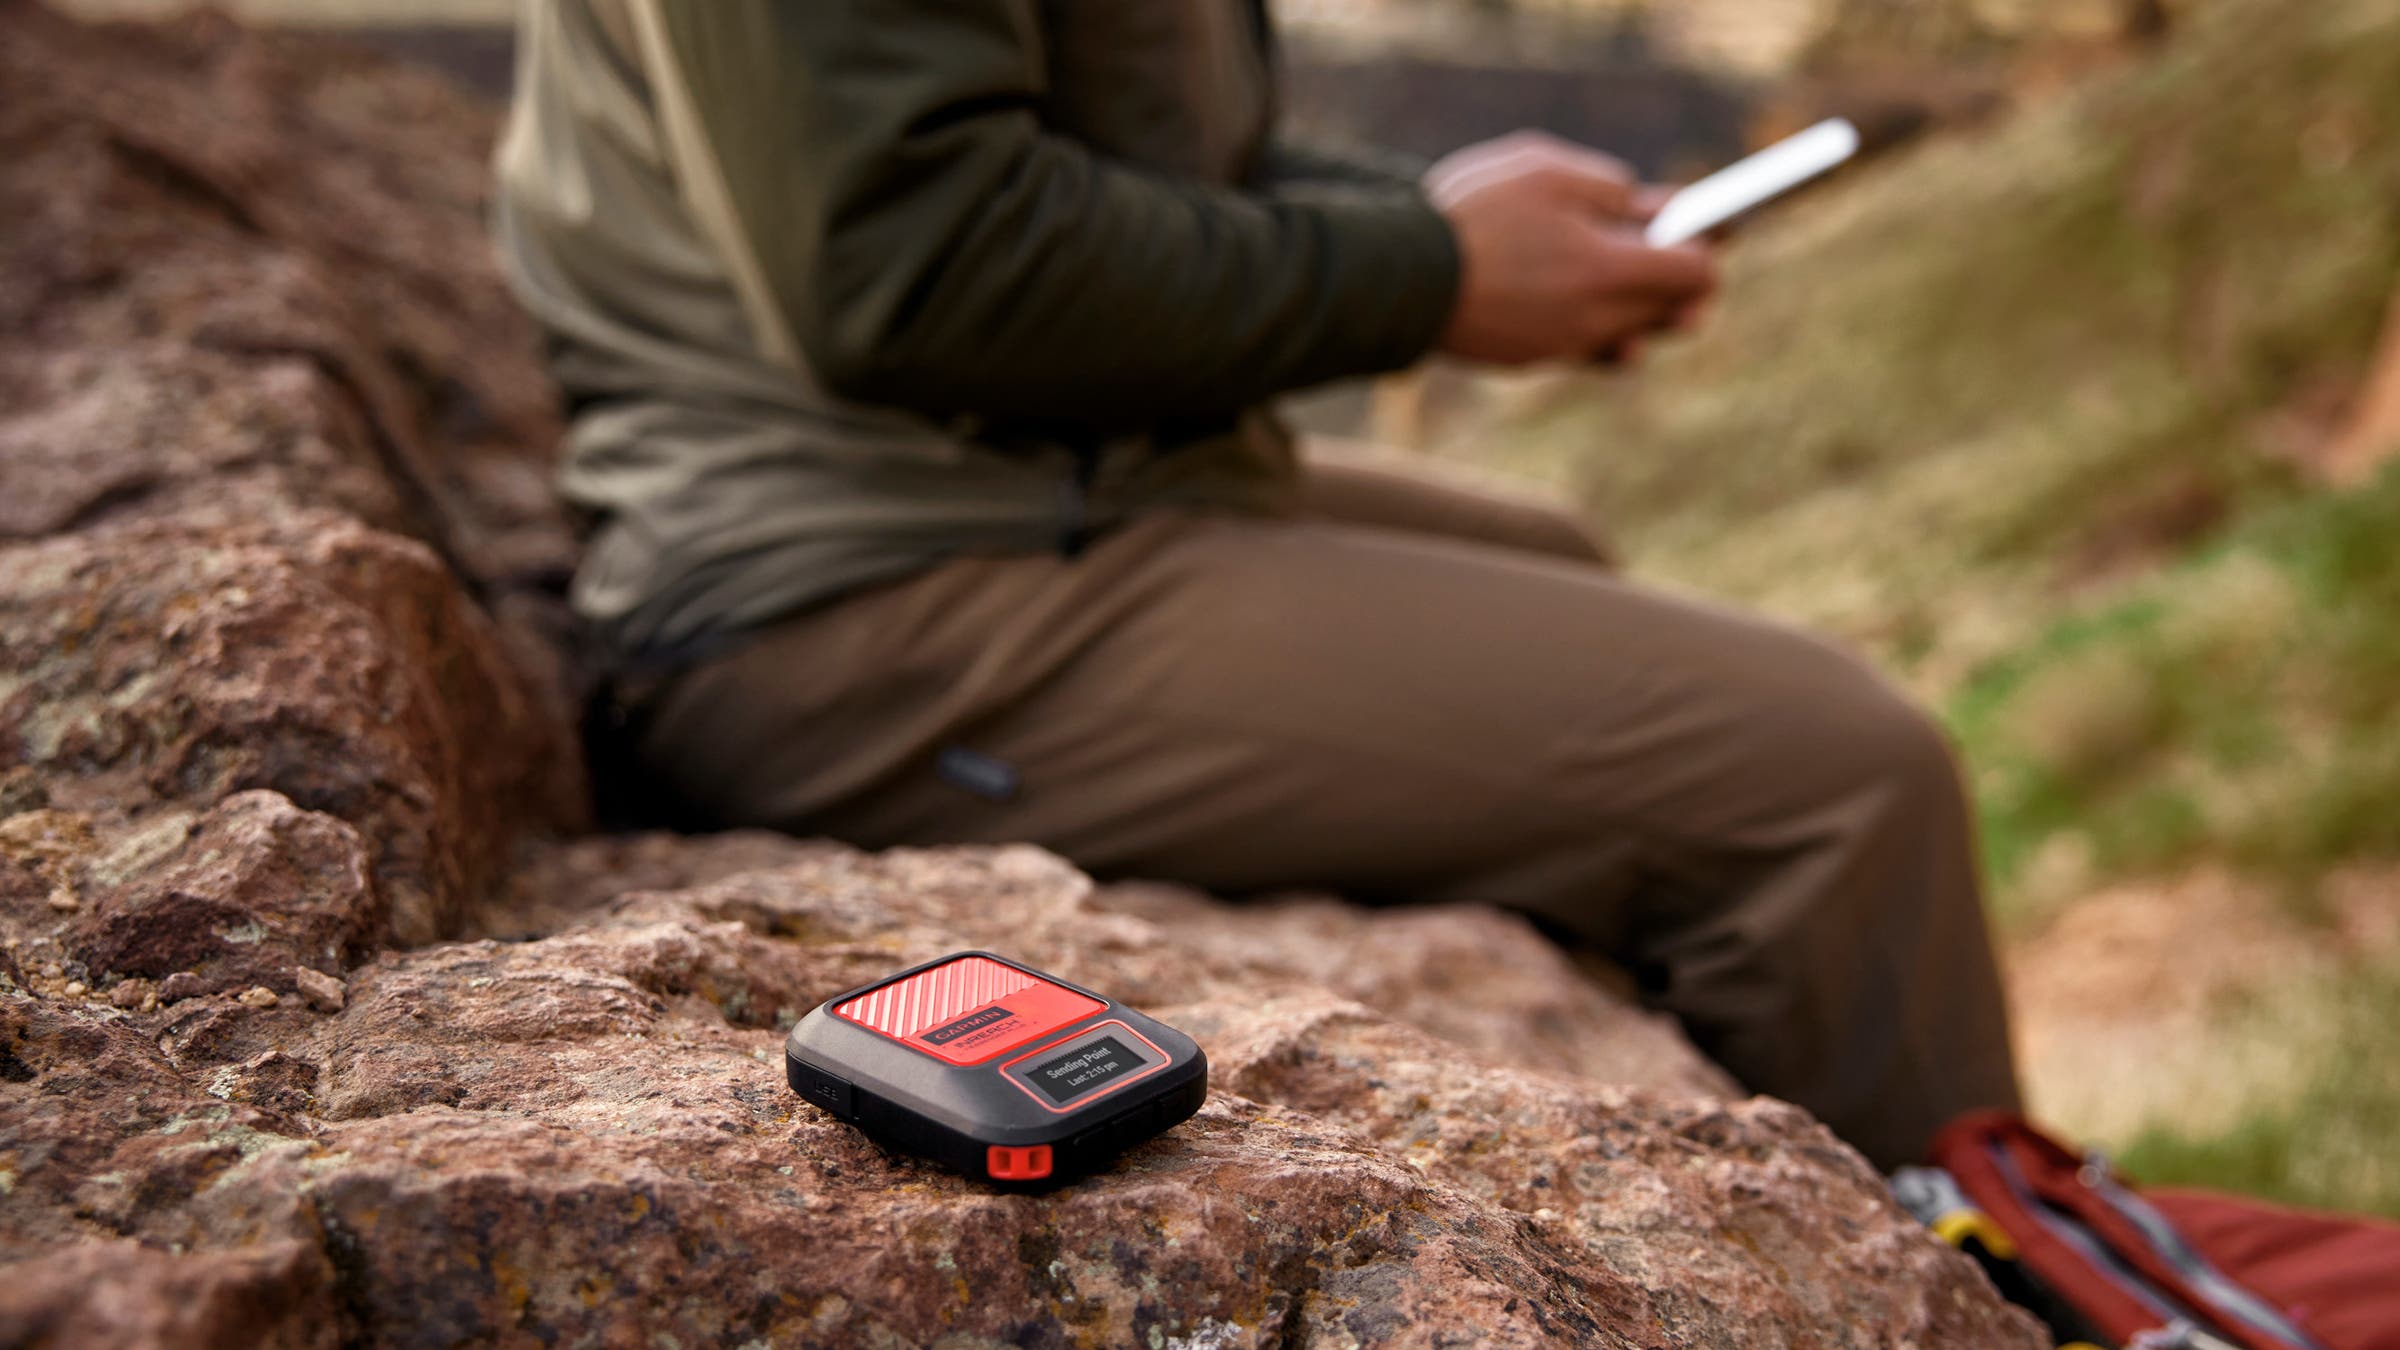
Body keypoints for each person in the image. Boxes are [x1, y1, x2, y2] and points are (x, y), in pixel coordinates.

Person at [492, 0, 2021, 1170]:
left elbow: (1120, 152)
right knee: (1833, 781)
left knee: (1565, 565)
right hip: (875, 587)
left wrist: (1454, 230)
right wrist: (1428, 273)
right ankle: (1993, 1285)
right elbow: (908, 262)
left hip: (1062, 481)